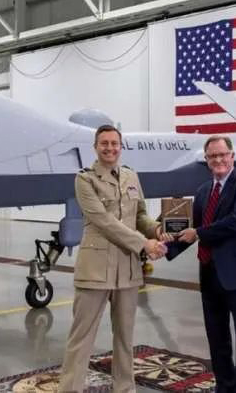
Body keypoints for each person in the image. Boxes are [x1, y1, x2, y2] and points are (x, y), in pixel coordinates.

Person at [57, 124, 168, 393]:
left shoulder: (131, 176)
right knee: (82, 338)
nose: (110, 148)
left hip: (127, 269)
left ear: (120, 146)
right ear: (95, 147)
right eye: (104, 143)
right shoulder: (85, 179)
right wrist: (145, 244)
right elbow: (104, 221)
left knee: (125, 337)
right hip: (95, 270)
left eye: (114, 143)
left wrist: (156, 230)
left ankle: (125, 388)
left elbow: (139, 215)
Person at [167, 135, 236, 393]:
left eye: (223, 155)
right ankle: (224, 386)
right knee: (217, 337)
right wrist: (163, 246)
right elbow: (189, 228)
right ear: (206, 160)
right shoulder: (203, 191)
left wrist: (198, 233)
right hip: (210, 273)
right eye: (212, 156)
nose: (218, 160)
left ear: (232, 156)